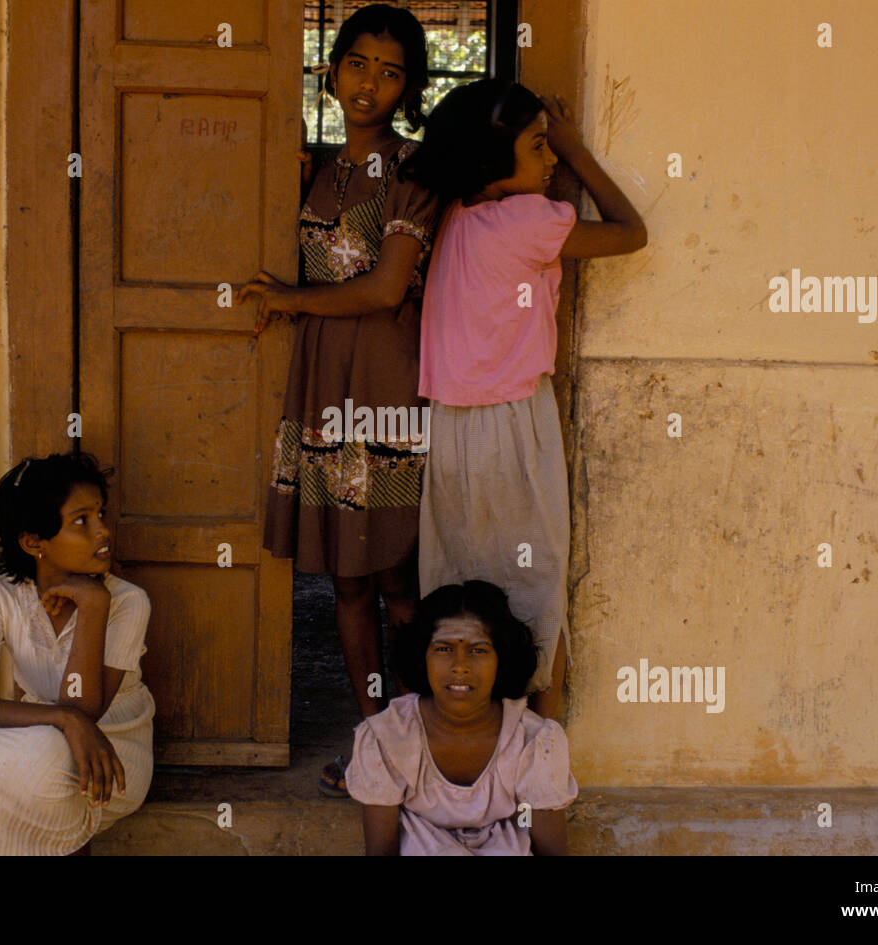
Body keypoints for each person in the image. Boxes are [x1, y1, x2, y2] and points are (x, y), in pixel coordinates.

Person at [236, 4, 443, 795]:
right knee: (346, 581)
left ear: (409, 87)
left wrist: (291, 296)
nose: (371, 83)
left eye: (392, 72)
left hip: (385, 388)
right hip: (322, 382)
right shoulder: (313, 166)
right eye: (359, 63)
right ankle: (375, 743)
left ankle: (432, 740)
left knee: (397, 575)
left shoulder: (415, 173)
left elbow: (390, 286)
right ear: (331, 70)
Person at [398, 79, 649, 720]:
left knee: (458, 576)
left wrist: (549, 145)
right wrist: (581, 149)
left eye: (553, 146)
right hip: (514, 422)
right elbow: (630, 232)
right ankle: (540, 737)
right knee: (534, 583)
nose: (552, 160)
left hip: (452, 428)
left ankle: (465, 729)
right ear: (491, 162)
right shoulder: (527, 219)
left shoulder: (456, 214)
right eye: (540, 146)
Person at [0, 453, 155, 855]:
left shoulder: (128, 602)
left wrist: (94, 607)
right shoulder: (0, 595)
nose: (103, 531)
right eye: (82, 521)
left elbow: (85, 709)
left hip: (111, 748)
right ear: (33, 542)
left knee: (47, 765)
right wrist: (60, 718)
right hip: (41, 736)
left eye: (101, 515)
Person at [346, 581, 578, 855]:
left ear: (501, 660)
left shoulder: (533, 741)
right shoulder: (388, 737)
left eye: (478, 650)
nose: (459, 666)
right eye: (443, 649)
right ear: (423, 656)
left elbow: (551, 850)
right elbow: (381, 850)